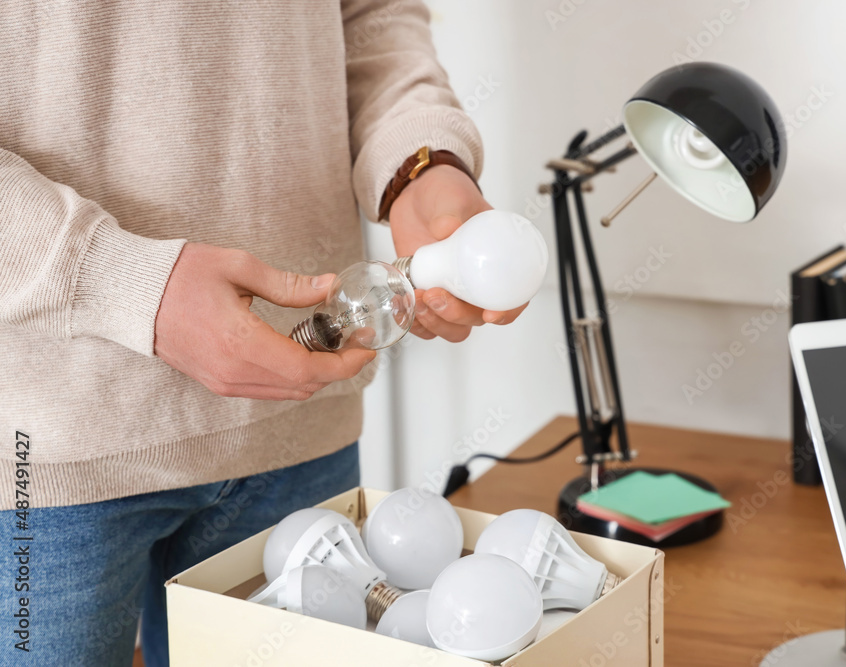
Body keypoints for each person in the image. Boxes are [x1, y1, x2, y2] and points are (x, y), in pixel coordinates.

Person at [0, 2, 526, 664]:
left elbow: (372, 16)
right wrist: (127, 284)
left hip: (297, 433)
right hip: (43, 454)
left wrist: (419, 160)